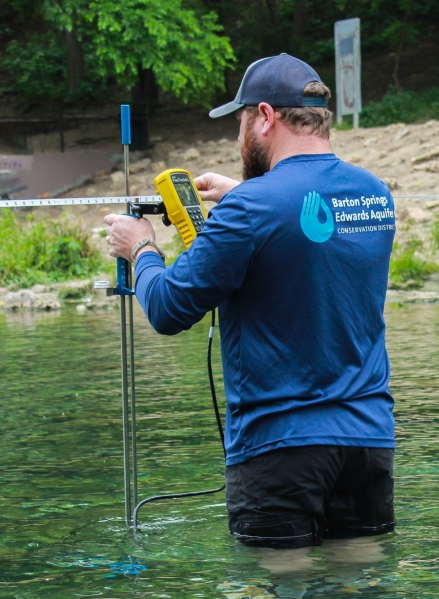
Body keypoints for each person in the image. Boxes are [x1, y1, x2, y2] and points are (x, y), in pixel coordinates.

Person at [103, 54, 397, 555]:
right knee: (362, 592)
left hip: (279, 447)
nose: (239, 136)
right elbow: (308, 230)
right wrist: (244, 198)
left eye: (240, 121)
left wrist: (141, 249)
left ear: (265, 116)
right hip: (368, 442)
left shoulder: (250, 207)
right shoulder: (373, 195)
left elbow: (170, 308)